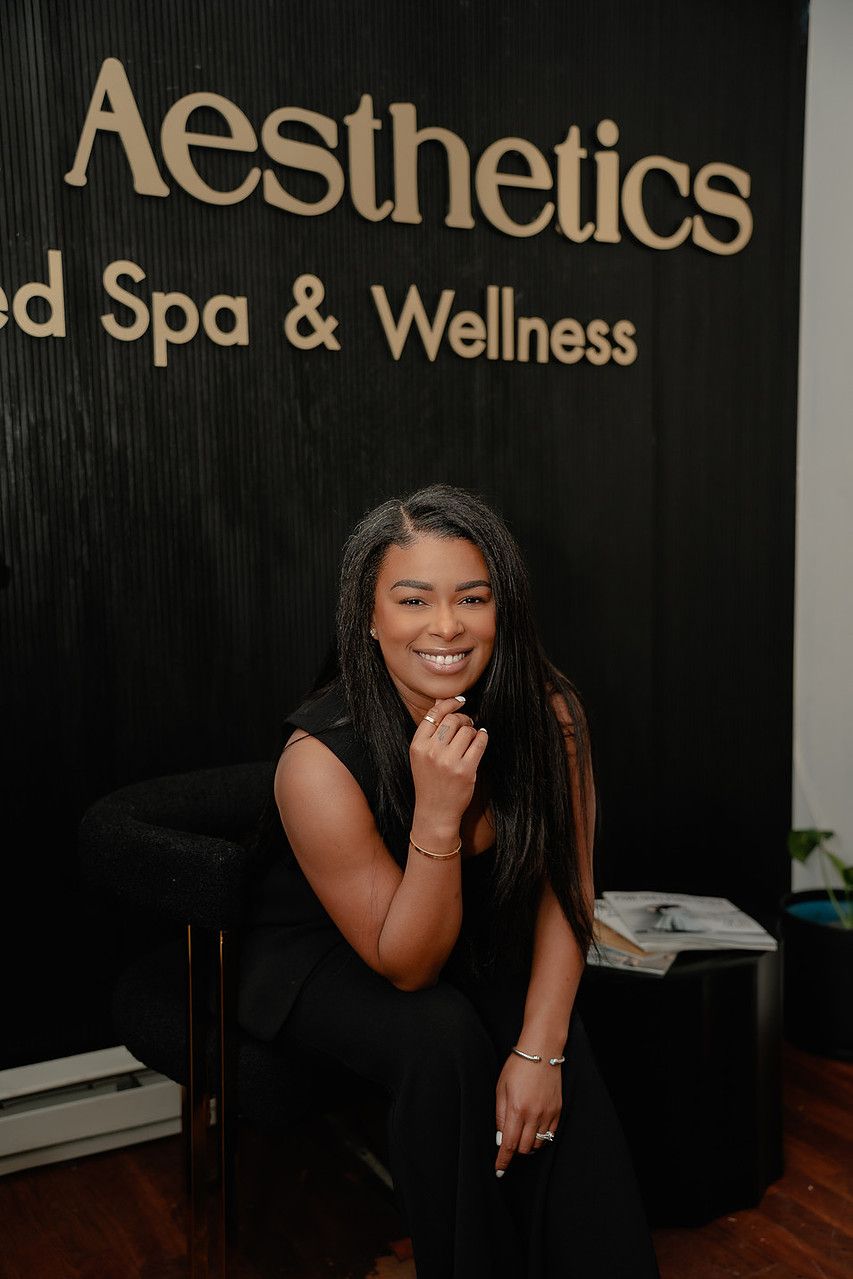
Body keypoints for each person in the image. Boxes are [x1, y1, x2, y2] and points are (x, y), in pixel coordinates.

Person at [238, 484, 660, 1278]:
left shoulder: (551, 714)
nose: (445, 626)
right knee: (441, 1035)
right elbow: (408, 965)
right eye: (412, 599)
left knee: (552, 1033)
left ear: (504, 607)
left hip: (466, 926)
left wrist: (541, 1053)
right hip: (319, 950)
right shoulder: (317, 761)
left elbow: (566, 892)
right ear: (368, 617)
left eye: (472, 596)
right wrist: (436, 816)